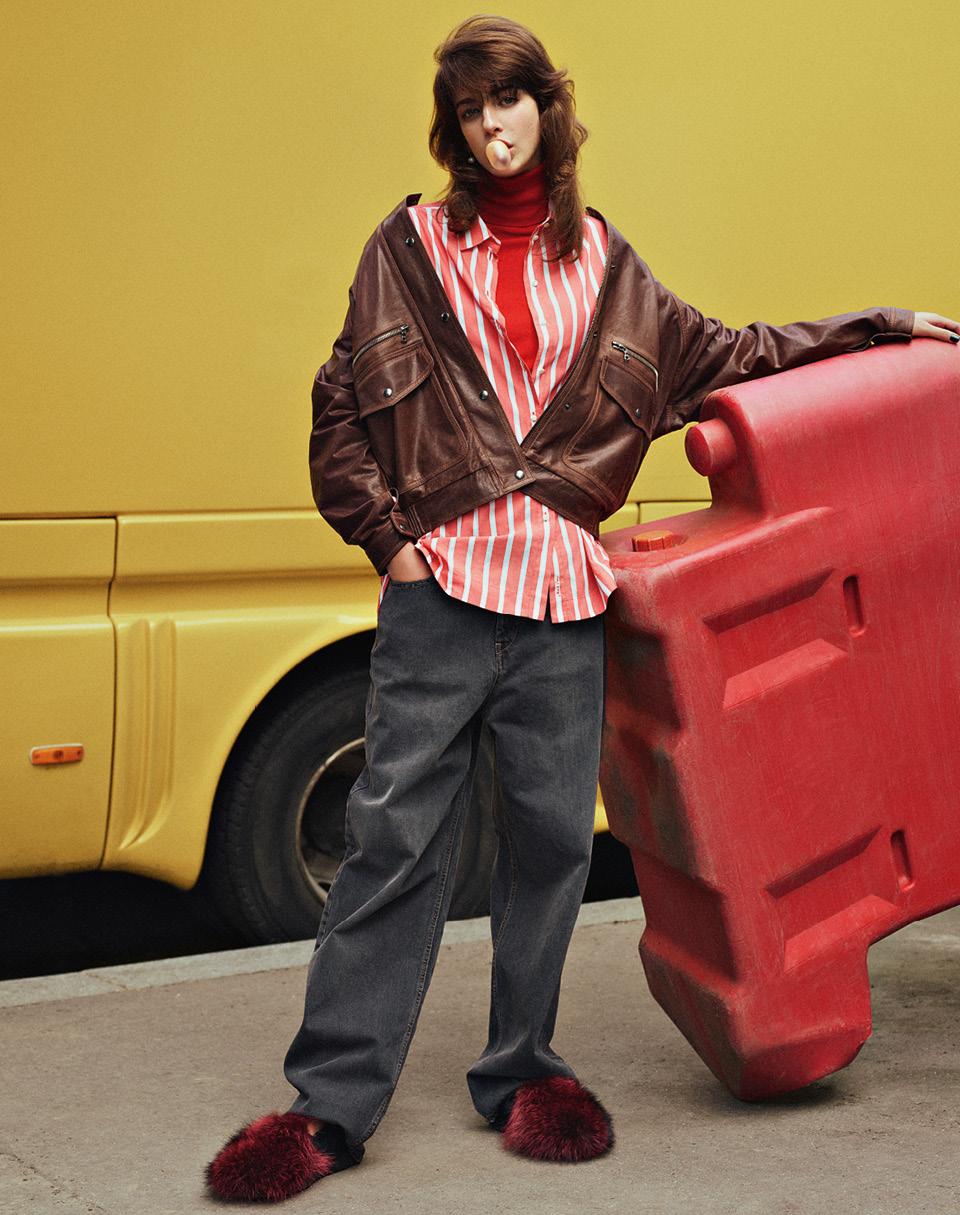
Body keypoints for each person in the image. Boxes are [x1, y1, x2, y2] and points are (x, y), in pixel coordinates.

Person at [205, 14, 960, 1203]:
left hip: (563, 602)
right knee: (393, 843)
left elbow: (737, 353)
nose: (491, 127)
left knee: (553, 845)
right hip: (444, 597)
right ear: (453, 131)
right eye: (469, 110)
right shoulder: (407, 250)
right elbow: (339, 407)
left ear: (547, 108)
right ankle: (330, 1105)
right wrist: (391, 545)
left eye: (507, 100)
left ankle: (520, 1071)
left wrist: (881, 328)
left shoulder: (610, 272)